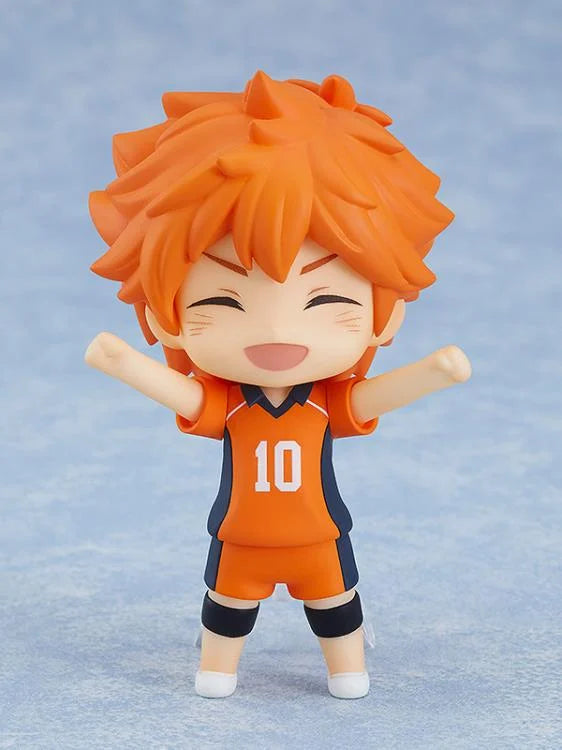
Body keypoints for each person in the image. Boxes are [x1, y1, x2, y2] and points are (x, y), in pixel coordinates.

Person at [85, 70, 471, 700]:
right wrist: (124, 363)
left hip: (321, 536)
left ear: (386, 312)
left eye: (325, 298)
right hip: (239, 538)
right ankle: (217, 670)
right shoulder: (232, 406)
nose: (276, 330)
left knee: (337, 607)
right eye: (221, 300)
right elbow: (185, 397)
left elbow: (370, 399)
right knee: (226, 610)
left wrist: (433, 373)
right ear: (165, 313)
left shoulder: (321, 404)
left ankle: (347, 669)